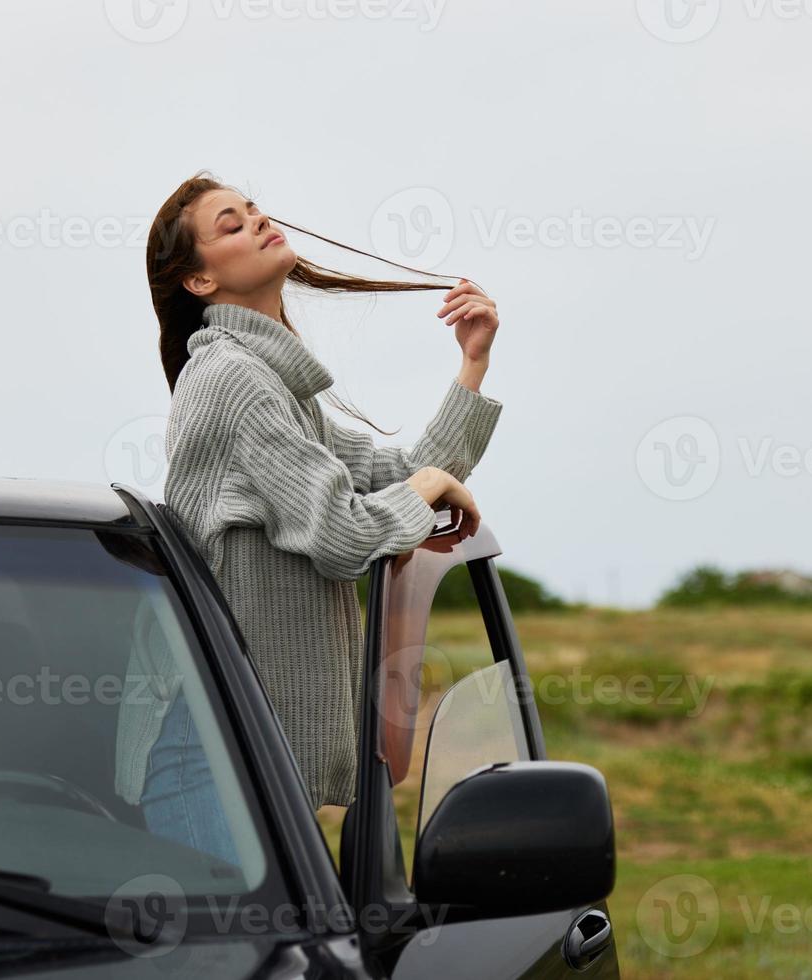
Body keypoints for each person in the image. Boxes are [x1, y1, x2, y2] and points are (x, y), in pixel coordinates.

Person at [117, 171, 503, 830]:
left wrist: (473, 363)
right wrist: (428, 489)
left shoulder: (275, 387)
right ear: (200, 280)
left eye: (253, 209)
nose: (258, 221)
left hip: (244, 750)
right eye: (230, 225)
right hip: (208, 752)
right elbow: (346, 539)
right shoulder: (232, 381)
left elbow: (401, 472)